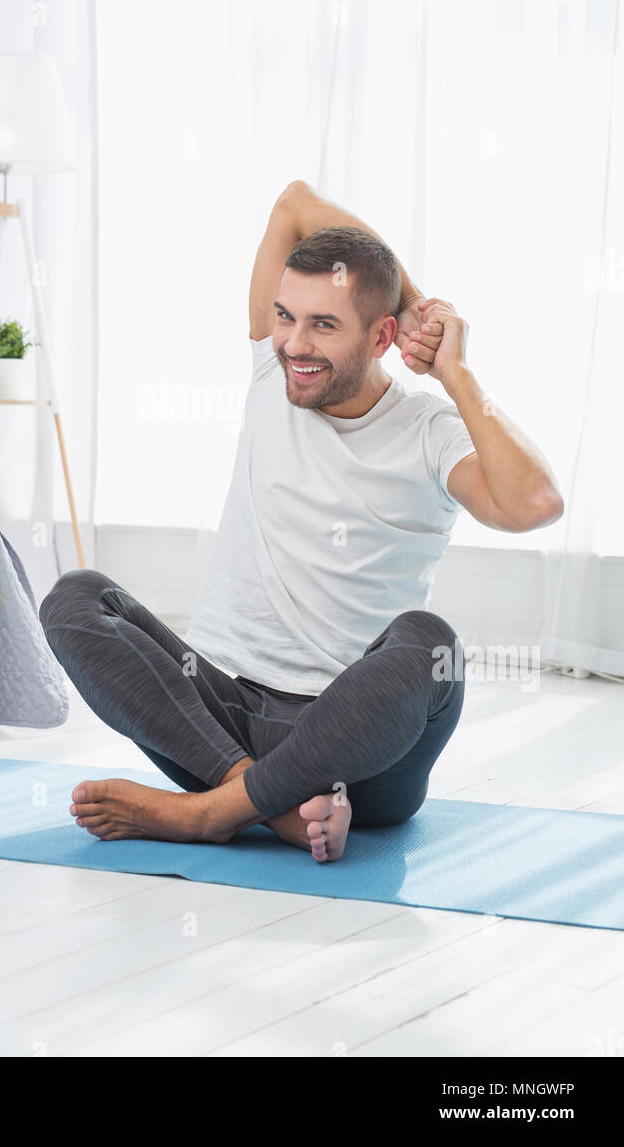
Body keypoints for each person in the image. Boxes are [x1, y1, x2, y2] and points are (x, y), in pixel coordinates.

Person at [40, 180, 564, 862]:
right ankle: (255, 802)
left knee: (430, 649)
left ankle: (206, 815)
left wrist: (452, 369)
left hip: (352, 753)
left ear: (381, 338)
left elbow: (534, 504)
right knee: (75, 598)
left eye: (324, 324)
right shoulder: (273, 373)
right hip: (221, 724)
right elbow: (294, 204)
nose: (294, 343)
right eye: (287, 317)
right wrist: (411, 301)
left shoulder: (431, 430)